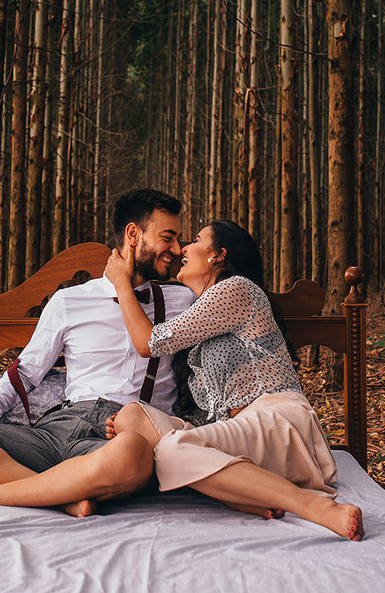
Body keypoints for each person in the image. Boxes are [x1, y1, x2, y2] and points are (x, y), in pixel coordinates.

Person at [0, 189, 196, 516]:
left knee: (134, 454)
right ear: (133, 234)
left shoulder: (185, 302)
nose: (177, 249)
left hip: (119, 437)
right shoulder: (69, 302)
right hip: (56, 431)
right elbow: (25, 373)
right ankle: (62, 496)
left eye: (179, 239)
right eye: (168, 237)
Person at [103, 220, 364, 541]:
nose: (183, 247)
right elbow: (210, 413)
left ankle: (313, 507)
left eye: (196, 240)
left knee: (171, 452)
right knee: (132, 416)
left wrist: (121, 284)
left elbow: (148, 343)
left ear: (218, 255)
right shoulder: (202, 320)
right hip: (240, 442)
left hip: (278, 423)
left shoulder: (236, 289)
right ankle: (240, 493)